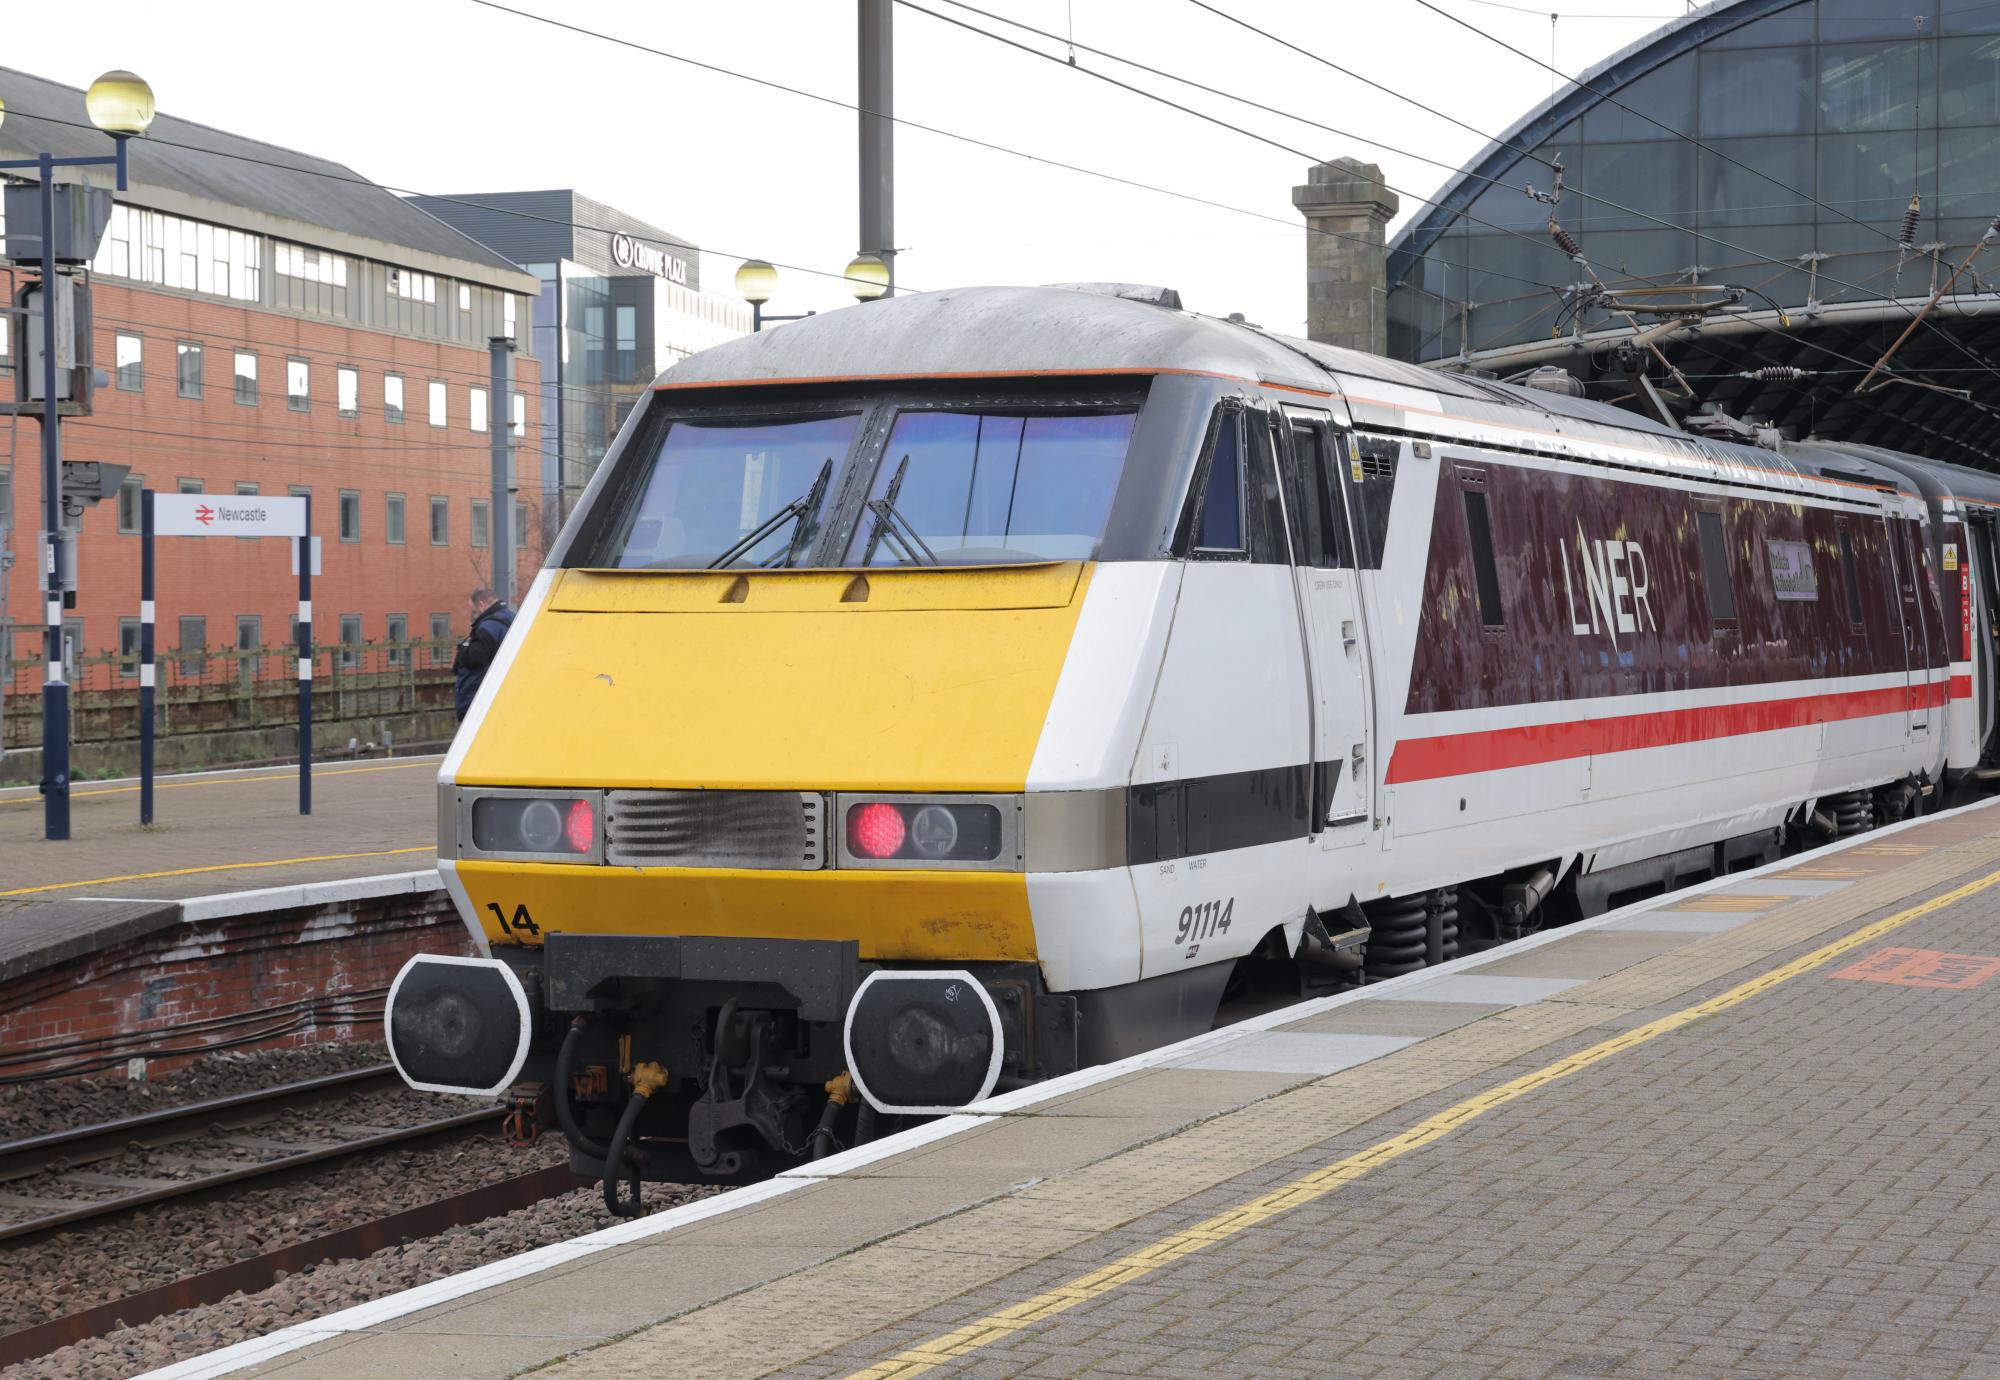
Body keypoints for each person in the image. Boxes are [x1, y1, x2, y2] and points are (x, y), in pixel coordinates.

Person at [453, 586, 516, 721]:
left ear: (481, 605)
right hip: (505, 695)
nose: (475, 615)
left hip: (478, 700)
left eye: (475, 611)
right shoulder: (513, 618)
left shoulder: (488, 627)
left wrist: (463, 648)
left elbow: (474, 658)